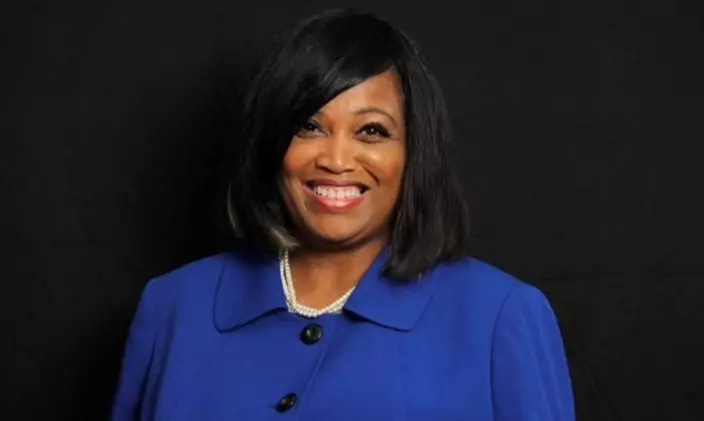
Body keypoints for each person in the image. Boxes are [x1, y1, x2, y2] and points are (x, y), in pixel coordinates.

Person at [111, 8, 574, 421]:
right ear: (273, 142)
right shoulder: (171, 307)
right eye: (309, 126)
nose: (336, 159)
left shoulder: (500, 317)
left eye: (371, 131)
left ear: (414, 151)